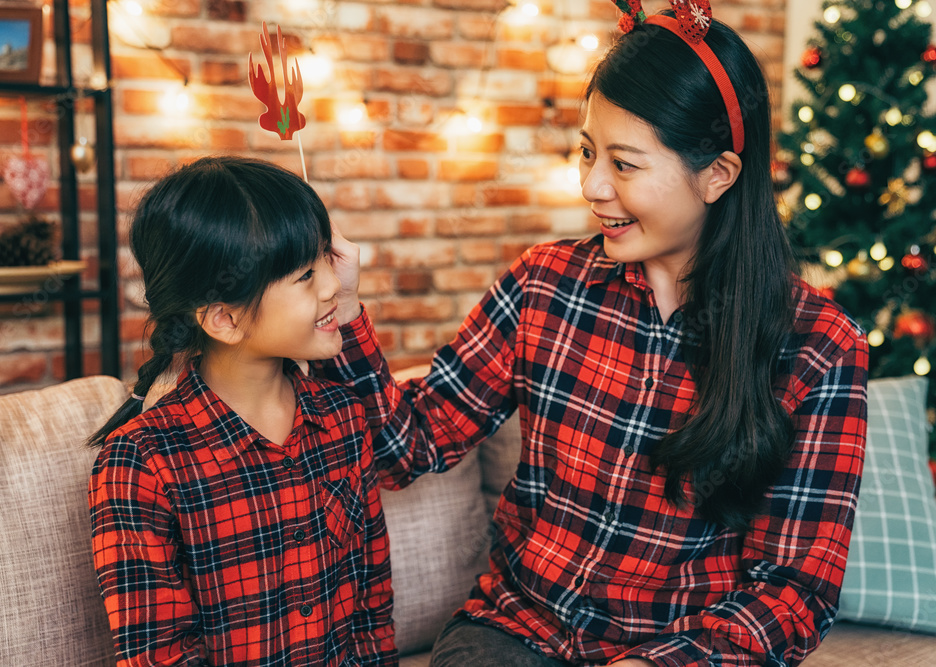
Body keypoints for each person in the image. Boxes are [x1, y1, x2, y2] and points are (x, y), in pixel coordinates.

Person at [319, 7, 869, 667]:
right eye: (587, 151)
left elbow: (793, 590)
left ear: (717, 175)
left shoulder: (820, 345)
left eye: (625, 164)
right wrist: (343, 306)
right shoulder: (543, 285)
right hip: (513, 632)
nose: (591, 186)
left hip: (677, 651)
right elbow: (402, 446)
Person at [86, 156, 397, 666]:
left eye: (325, 258)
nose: (332, 285)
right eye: (304, 274)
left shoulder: (345, 418)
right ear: (224, 319)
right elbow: (159, 656)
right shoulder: (140, 466)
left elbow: (372, 611)